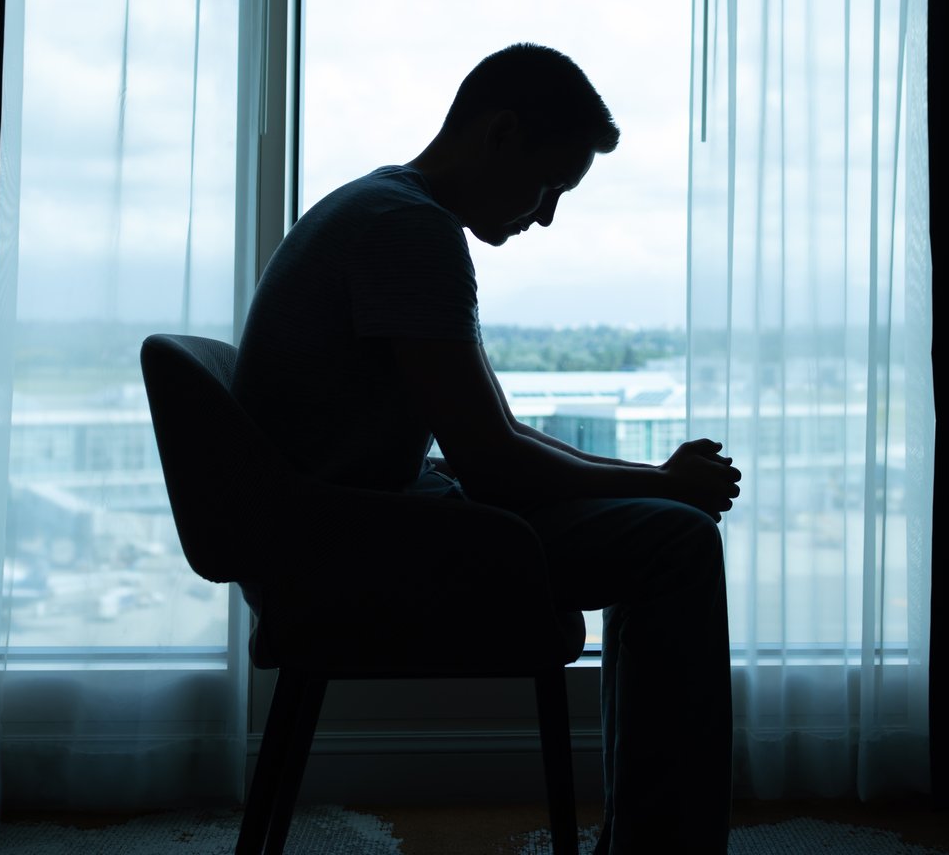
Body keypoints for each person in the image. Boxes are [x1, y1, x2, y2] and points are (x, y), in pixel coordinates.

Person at [232, 42, 739, 853]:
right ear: (501, 134)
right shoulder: (409, 231)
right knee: (674, 541)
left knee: (660, 518)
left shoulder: (384, 210)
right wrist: (666, 489)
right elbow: (495, 465)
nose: (544, 215)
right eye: (549, 186)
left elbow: (494, 436)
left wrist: (655, 479)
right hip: (347, 550)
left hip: (340, 528)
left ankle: (652, 840)